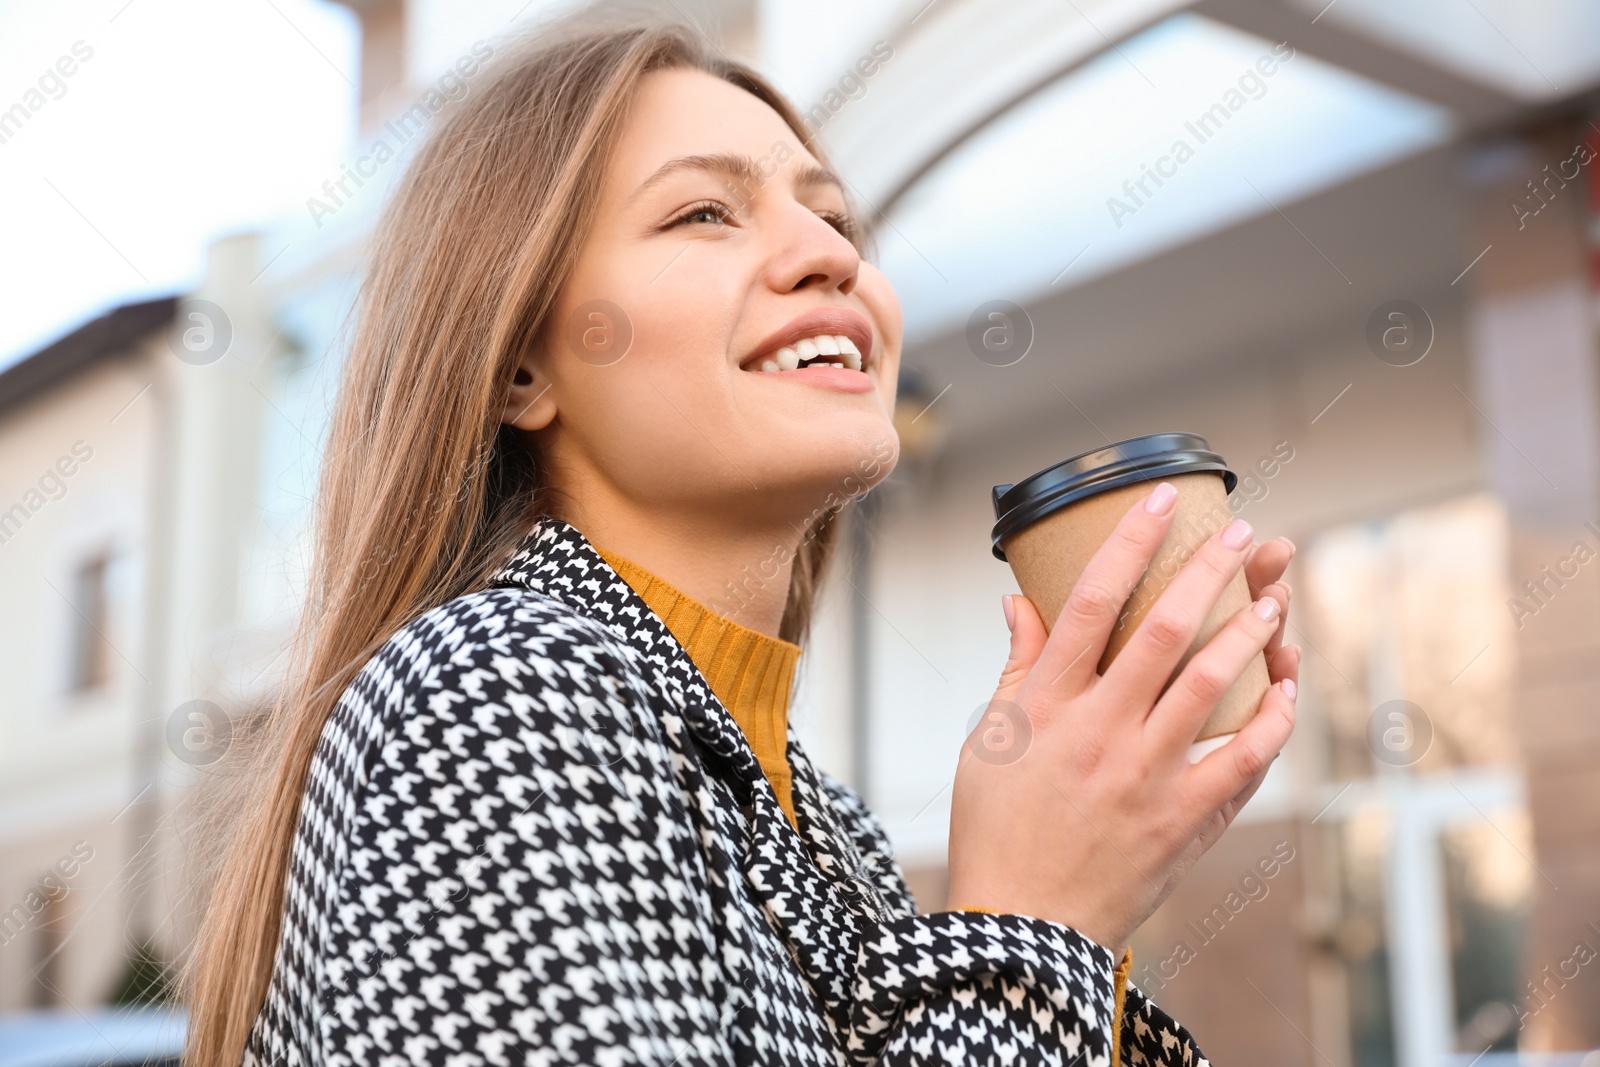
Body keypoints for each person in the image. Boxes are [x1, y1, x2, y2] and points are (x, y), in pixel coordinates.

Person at [183, 9, 1300, 1065]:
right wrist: (1029, 920)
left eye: (835, 217)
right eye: (702, 214)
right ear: (521, 363)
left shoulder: (824, 823)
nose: (829, 255)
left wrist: (1080, 901)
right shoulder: (495, 690)